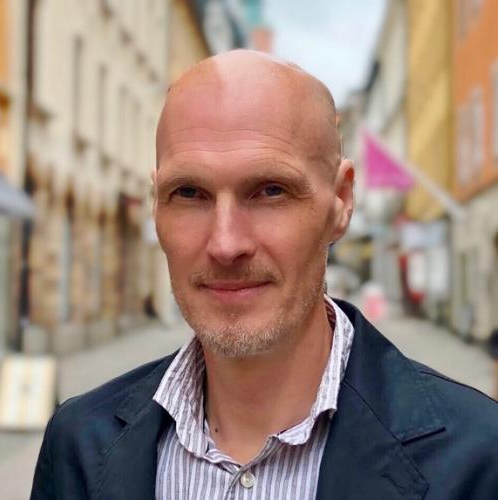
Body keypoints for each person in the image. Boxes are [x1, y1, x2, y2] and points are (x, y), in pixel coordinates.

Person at [31, 50, 498, 500]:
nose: (226, 244)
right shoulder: (78, 444)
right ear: (156, 206)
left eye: (271, 191)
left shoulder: (478, 459)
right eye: (189, 193)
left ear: (341, 202)